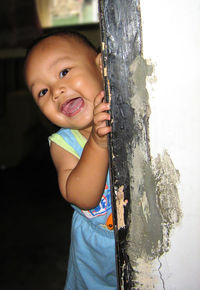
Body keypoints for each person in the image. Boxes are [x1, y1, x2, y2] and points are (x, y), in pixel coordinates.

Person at [24, 30, 117, 289]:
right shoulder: (63, 144)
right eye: (42, 91)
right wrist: (98, 144)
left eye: (64, 72)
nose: (56, 91)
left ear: (101, 66)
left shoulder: (128, 110)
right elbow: (82, 196)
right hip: (96, 255)